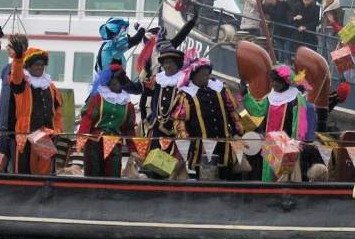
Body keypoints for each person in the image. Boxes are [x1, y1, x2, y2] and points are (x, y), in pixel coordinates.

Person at [0, 38, 57, 175]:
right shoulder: (23, 84)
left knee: (45, 170)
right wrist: (18, 58)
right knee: (23, 169)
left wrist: (57, 128)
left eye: (41, 64)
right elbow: (16, 76)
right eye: (36, 65)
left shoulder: (50, 86)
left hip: (44, 133)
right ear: (28, 66)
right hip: (25, 132)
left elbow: (57, 110)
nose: (39, 67)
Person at [139, 45, 201, 176]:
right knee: (153, 162)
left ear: (177, 64)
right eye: (165, 63)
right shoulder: (157, 79)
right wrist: (144, 117)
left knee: (174, 164)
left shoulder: (184, 81)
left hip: (177, 128)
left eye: (171, 63)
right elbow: (144, 97)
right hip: (156, 126)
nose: (168, 66)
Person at [248, 64, 316, 182]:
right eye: (272, 81)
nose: (273, 84)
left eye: (276, 82)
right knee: (268, 176)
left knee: (284, 177)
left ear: (284, 82)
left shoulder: (295, 98)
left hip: (287, 144)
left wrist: (295, 142)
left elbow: (300, 122)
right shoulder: (270, 97)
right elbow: (258, 111)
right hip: (270, 143)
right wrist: (246, 96)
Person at [184, 57, 240, 177]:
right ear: (194, 75)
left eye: (207, 74)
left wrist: (236, 131)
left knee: (226, 174)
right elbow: (182, 122)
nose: (207, 76)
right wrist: (186, 140)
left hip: (224, 145)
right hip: (201, 148)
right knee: (203, 177)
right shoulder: (186, 94)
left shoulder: (220, 88)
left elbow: (231, 112)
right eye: (203, 74)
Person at [77, 70, 137, 178]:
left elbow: (129, 129)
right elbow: (87, 119)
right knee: (93, 175)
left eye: (117, 82)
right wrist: (81, 138)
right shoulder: (98, 98)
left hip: (114, 144)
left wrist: (132, 149)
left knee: (113, 174)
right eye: (112, 83)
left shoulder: (128, 105)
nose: (115, 85)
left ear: (122, 83)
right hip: (94, 143)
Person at [94, 18, 146, 87]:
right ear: (116, 32)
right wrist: (141, 28)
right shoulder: (113, 45)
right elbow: (136, 40)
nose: (125, 33)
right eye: (123, 30)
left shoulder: (106, 45)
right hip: (111, 85)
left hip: (107, 83)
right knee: (138, 89)